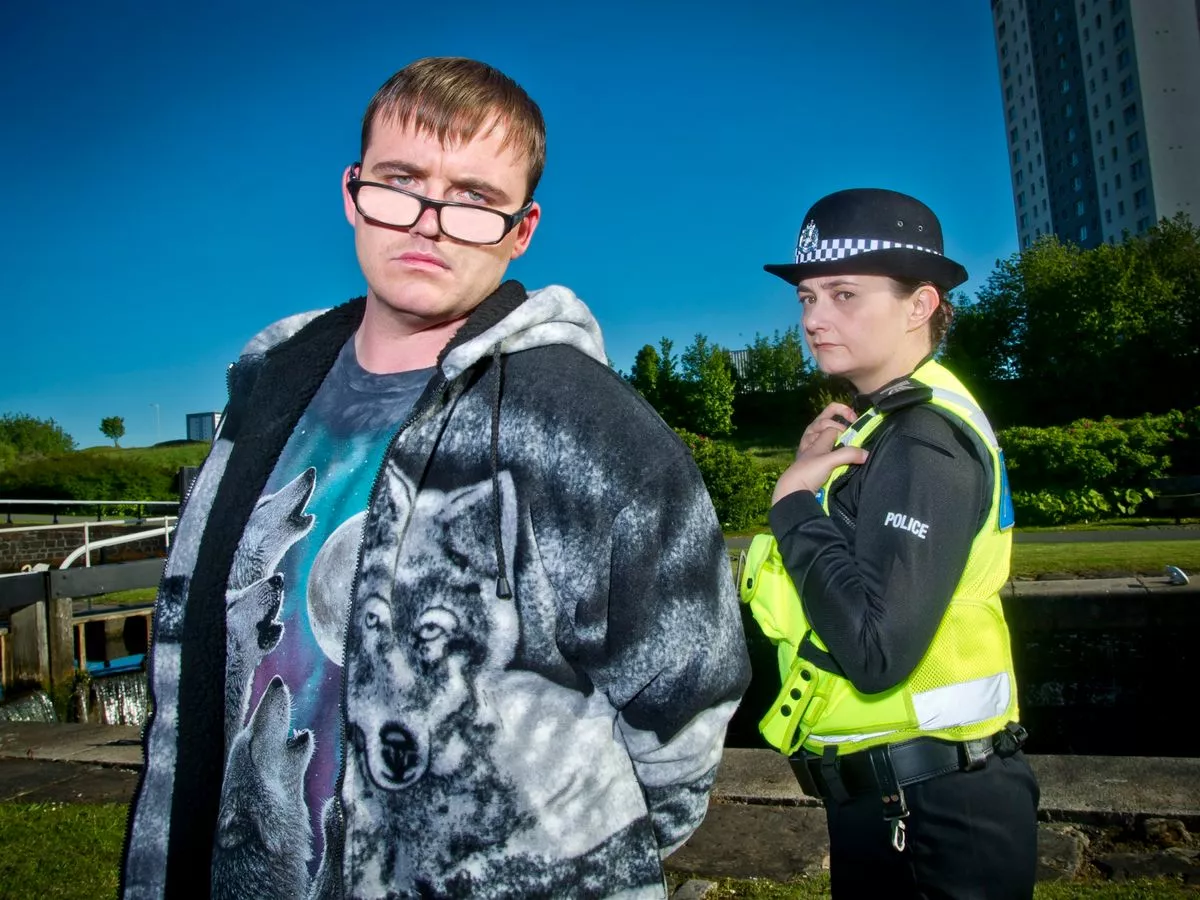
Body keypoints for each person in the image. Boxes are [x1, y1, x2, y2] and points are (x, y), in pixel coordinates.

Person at [121, 57, 750, 900]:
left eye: (474, 198)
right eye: (401, 182)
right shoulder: (266, 393)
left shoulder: (590, 427)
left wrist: (558, 867)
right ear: (353, 194)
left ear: (521, 230)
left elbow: (684, 710)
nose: (430, 223)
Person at [741, 188, 1039, 898]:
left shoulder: (922, 438)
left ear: (920, 305)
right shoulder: (884, 425)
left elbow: (876, 652)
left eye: (844, 294)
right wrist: (813, 476)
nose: (813, 319)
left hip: (937, 814)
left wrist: (792, 503)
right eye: (807, 297)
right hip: (903, 797)